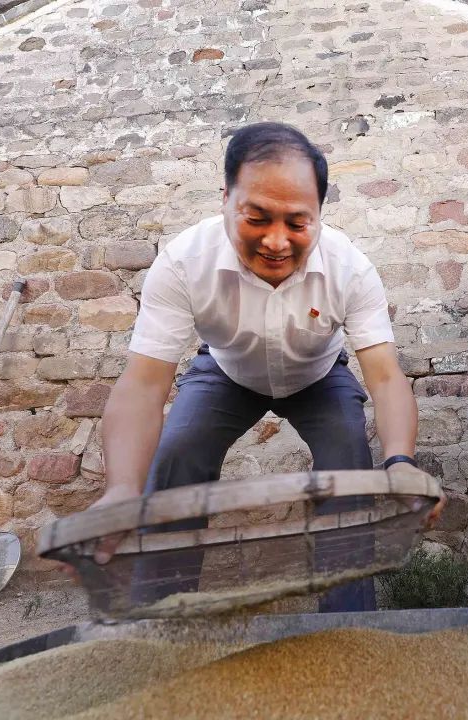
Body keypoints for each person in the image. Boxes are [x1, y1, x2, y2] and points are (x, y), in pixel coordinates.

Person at [88, 122, 422, 613]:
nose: (277, 242)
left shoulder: (350, 269)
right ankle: (157, 624)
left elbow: (386, 376)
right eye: (257, 218)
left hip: (318, 374)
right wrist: (121, 489)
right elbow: (143, 383)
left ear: (319, 215)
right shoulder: (184, 263)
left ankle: (349, 626)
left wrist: (400, 463)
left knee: (348, 456)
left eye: (297, 223)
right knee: (178, 452)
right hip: (226, 371)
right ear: (226, 199)